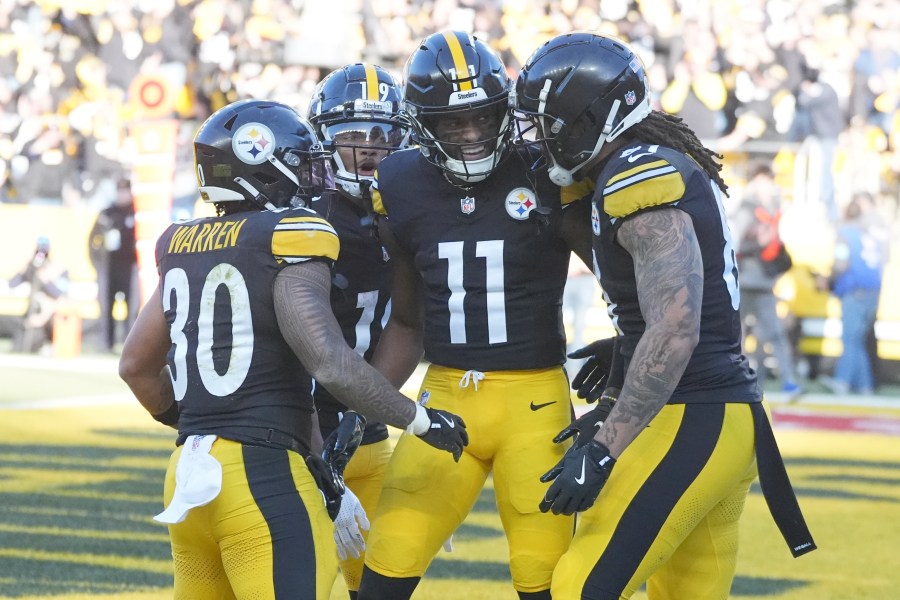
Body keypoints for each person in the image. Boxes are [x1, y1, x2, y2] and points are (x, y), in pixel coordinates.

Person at [117, 99, 468, 600]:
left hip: (187, 473)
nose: (311, 177)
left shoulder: (180, 240)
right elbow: (328, 361)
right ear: (266, 168)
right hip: (265, 476)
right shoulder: (291, 234)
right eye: (301, 164)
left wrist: (208, 423)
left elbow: (135, 366)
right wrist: (421, 420)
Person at [513, 32, 816, 599]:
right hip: (722, 414)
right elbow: (662, 310)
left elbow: (676, 328)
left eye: (551, 121)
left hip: (692, 414)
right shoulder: (628, 169)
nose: (542, 135)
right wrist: (629, 342)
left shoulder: (637, 174)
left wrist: (605, 446)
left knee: (579, 588)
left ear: (590, 118)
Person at [356, 31, 594, 600]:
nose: (470, 135)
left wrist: (630, 341)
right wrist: (360, 407)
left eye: (484, 118)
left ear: (505, 109)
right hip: (444, 399)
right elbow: (409, 323)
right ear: (422, 124)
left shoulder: (547, 171)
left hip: (535, 403)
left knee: (542, 579)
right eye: (451, 123)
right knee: (386, 564)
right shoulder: (398, 182)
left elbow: (619, 275)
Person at [306, 62, 409, 599]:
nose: (369, 149)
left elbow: (414, 325)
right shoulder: (305, 218)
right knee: (302, 580)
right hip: (307, 433)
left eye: (383, 136)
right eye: (351, 137)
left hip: (369, 428)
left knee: (380, 584)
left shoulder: (411, 211)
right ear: (323, 140)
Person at [730, 163, 802, 399]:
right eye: (762, 180)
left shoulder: (774, 208)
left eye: (768, 180)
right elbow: (736, 243)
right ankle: (736, 380)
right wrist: (757, 242)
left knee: (770, 334)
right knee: (738, 335)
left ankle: (786, 380)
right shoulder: (746, 208)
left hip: (764, 281)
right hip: (745, 279)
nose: (766, 185)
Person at [817, 191, 889, 395]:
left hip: (855, 290)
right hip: (872, 290)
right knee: (857, 340)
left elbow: (841, 263)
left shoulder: (845, 233)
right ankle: (864, 384)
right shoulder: (868, 233)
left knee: (849, 339)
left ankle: (843, 380)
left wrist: (827, 280)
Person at [88, 176, 138, 352]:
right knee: (106, 306)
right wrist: (97, 265)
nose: (122, 194)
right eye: (120, 191)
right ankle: (106, 344)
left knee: (132, 309)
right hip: (110, 266)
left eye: (125, 190)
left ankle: (130, 345)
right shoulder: (108, 213)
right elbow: (92, 240)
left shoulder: (137, 213)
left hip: (130, 267)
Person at [9, 236, 69, 353]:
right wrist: (25, 268)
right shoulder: (32, 268)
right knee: (19, 347)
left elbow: (61, 297)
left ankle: (48, 344)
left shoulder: (58, 269)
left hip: (49, 317)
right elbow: (12, 284)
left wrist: (46, 280)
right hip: (33, 314)